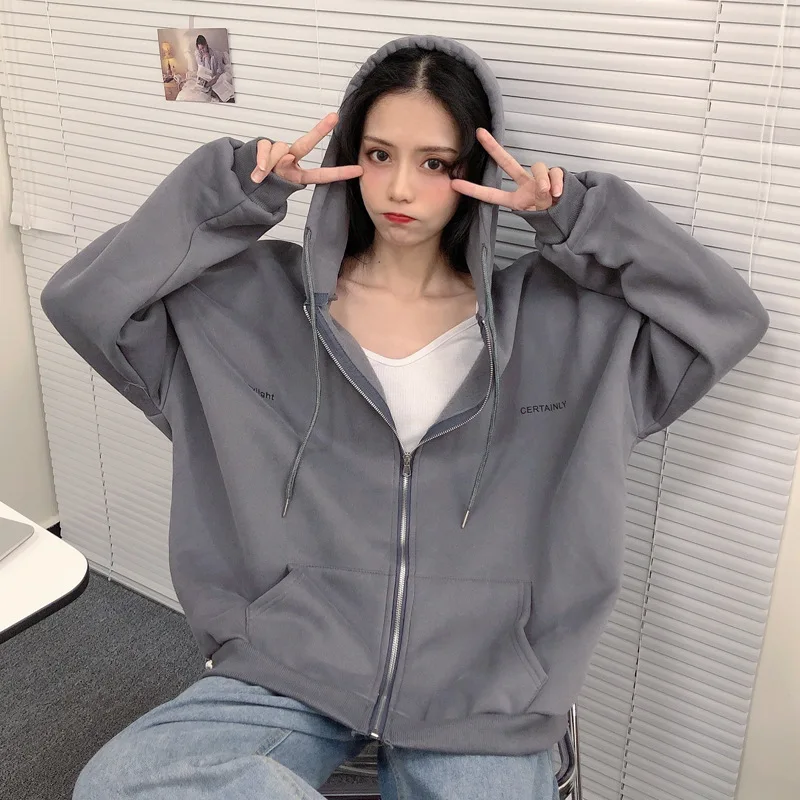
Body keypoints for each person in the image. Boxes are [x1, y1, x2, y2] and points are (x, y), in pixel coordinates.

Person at [41, 34, 768, 800]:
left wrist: (581, 218)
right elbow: (85, 301)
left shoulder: (568, 328)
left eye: (435, 164)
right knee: (123, 784)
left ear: (474, 171)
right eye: (379, 155)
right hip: (291, 664)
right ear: (350, 156)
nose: (400, 188)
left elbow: (725, 318)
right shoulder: (249, 303)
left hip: (482, 692)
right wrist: (232, 195)